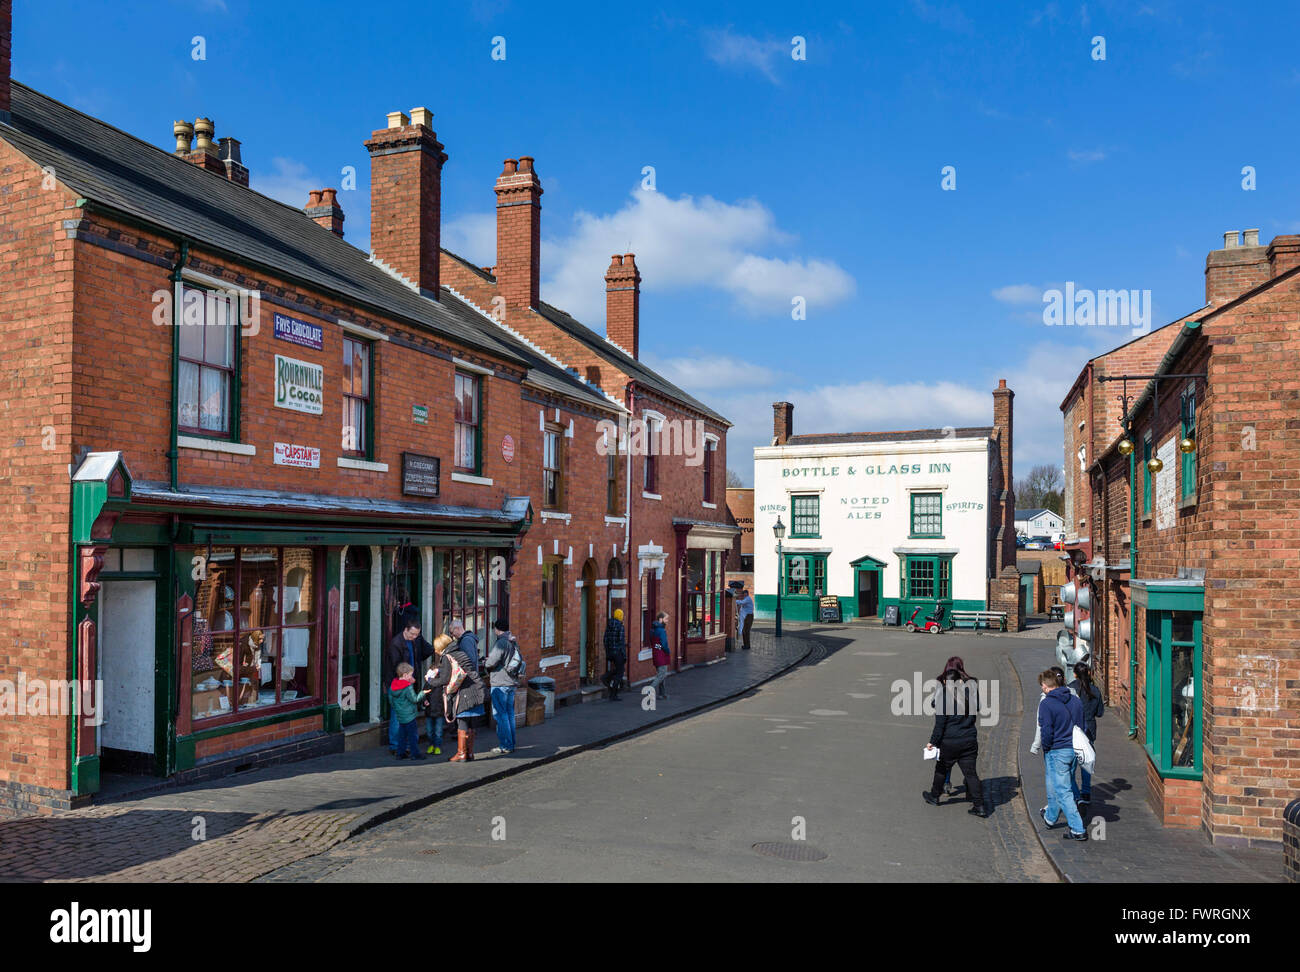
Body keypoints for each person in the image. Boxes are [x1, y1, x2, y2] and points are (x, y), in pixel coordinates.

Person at [921, 656, 986, 817]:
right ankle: (979, 806)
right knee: (971, 774)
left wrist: (932, 743)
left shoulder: (944, 696)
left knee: (941, 769)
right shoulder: (970, 692)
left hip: (949, 742)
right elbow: (977, 708)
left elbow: (940, 725)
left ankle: (934, 796)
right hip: (969, 740)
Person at [1037, 669, 1088, 841]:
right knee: (1057, 785)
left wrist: (1046, 747)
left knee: (1063, 791)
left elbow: (1046, 731)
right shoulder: (1075, 700)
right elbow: (1082, 726)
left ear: (1046, 686)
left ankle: (1077, 828)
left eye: (1042, 685)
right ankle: (1050, 818)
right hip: (1074, 749)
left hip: (1056, 750)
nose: (1041, 688)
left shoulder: (1046, 704)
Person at [386, 621, 433, 755]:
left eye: (417, 635)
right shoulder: (396, 644)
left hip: (409, 682)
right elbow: (397, 667)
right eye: (412, 634)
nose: (414, 637)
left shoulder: (412, 641)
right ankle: (395, 746)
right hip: (399, 684)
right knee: (398, 715)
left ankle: (405, 744)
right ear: (405, 630)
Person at [444, 631, 487, 763]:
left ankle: (461, 753)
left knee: (462, 722)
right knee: (471, 724)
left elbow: (445, 678)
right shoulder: (462, 653)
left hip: (464, 693)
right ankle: (470, 753)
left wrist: (431, 681)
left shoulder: (449, 656)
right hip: (475, 690)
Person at [1069, 662, 1105, 814]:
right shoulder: (1095, 691)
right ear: (1089, 674)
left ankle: (1076, 795)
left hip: (1073, 730)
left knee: (1070, 765)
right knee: (1086, 761)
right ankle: (1086, 792)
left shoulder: (1071, 689)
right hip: (1089, 730)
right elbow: (1100, 713)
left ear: (1075, 674)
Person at [484, 618, 520, 755]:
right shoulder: (513, 641)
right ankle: (511, 743)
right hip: (512, 682)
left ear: (497, 629)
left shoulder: (501, 642)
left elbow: (491, 662)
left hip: (500, 683)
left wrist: (486, 662)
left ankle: (506, 745)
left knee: (500, 715)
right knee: (510, 714)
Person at [388, 662, 430, 760]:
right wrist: (422, 693)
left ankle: (400, 753)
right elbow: (414, 699)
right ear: (405, 675)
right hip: (410, 715)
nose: (411, 677)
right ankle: (415, 754)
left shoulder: (392, 686)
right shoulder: (407, 687)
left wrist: (398, 709)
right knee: (412, 736)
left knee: (402, 735)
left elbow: (391, 701)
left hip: (400, 715)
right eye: (410, 675)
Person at [422, 633, 454, 755]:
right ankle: (431, 745)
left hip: (439, 710)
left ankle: (437, 745)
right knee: (430, 731)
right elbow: (424, 692)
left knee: (438, 731)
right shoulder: (429, 683)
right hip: (430, 710)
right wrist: (424, 700)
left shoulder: (440, 682)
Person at [603, 609, 627, 700]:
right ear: (620, 616)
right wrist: (624, 654)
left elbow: (605, 640)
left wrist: (608, 651)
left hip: (610, 652)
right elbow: (621, 641)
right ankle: (613, 694)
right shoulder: (620, 626)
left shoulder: (609, 625)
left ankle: (606, 678)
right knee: (620, 672)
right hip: (618, 653)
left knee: (618, 670)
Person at [650, 611, 671, 700]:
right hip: (662, 655)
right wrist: (668, 651)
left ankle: (662, 694)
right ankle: (650, 689)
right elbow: (664, 644)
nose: (667, 621)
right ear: (660, 619)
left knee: (661, 674)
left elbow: (653, 642)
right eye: (666, 619)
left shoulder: (653, 630)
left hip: (656, 654)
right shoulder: (662, 631)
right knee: (661, 675)